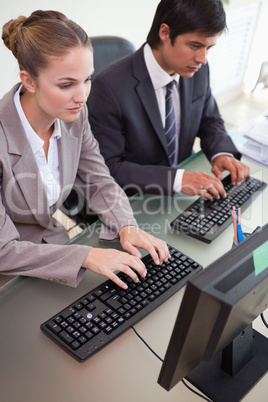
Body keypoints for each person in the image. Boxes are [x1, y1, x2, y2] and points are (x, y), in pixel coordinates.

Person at [0, 10, 170, 289]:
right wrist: (87, 256)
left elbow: (99, 180)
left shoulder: (74, 116)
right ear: (29, 81)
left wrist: (127, 226)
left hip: (53, 247)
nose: (81, 96)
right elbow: (4, 250)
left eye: (87, 79)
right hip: (8, 274)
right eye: (66, 84)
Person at [87, 0, 249, 199]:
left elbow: (209, 120)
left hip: (183, 190)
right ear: (165, 33)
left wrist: (221, 153)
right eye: (195, 46)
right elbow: (109, 168)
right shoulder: (109, 88)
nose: (202, 59)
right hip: (136, 199)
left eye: (209, 48)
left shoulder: (198, 70)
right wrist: (177, 180)